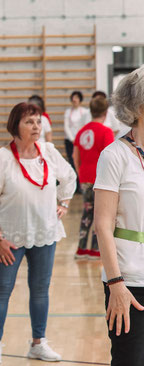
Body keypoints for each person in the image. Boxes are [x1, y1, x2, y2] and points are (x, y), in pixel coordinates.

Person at [0, 102, 76, 365]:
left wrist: (64, 202)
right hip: (9, 238)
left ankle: (38, 343)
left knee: (40, 289)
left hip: (45, 233)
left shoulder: (49, 151)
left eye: (38, 121)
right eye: (29, 122)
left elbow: (69, 177)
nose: (36, 126)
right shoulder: (1, 157)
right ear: (16, 126)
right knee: (2, 289)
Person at [94, 66, 144, 366]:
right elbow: (102, 224)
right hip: (129, 280)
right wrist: (115, 283)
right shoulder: (114, 156)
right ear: (139, 107)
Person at [73, 97, 114, 260]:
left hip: (85, 177)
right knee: (101, 214)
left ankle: (81, 248)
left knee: (87, 212)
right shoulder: (106, 132)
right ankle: (96, 249)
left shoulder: (81, 131)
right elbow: (109, 157)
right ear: (106, 112)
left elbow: (75, 156)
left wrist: (81, 173)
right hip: (101, 178)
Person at [64, 91, 88, 184]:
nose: (75, 100)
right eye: (73, 98)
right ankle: (74, 184)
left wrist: (79, 139)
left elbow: (85, 126)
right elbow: (66, 126)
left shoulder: (85, 112)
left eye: (77, 98)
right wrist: (72, 139)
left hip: (81, 141)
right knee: (72, 162)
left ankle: (81, 183)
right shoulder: (68, 112)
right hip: (70, 141)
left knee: (81, 162)